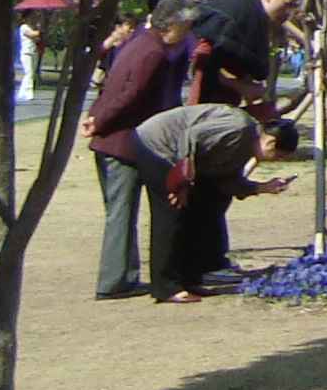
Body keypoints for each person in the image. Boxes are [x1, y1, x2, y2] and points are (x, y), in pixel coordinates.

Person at [86, 0, 198, 299]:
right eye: (185, 28)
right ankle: (114, 281)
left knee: (119, 211)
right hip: (120, 141)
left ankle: (125, 275)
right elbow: (129, 95)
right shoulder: (153, 53)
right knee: (120, 213)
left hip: (111, 137)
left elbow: (114, 87)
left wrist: (96, 116)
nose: (187, 35)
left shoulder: (137, 44)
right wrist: (100, 121)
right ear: (171, 25)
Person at [126, 105, 297, 302]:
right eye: (278, 155)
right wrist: (181, 182)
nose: (275, 160)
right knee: (172, 214)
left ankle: (190, 279)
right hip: (158, 145)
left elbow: (227, 183)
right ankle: (165, 287)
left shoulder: (242, 150)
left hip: (181, 157)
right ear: (270, 142)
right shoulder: (238, 128)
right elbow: (189, 137)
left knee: (200, 210)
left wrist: (262, 187)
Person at [186, 0, 301, 106]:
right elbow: (203, 59)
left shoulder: (255, 14)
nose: (288, 13)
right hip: (207, 95)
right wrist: (241, 87)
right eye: (287, 4)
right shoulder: (242, 14)